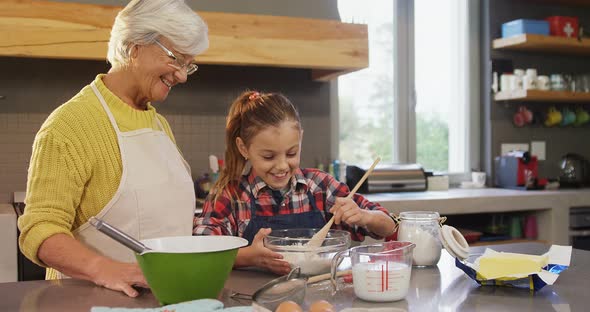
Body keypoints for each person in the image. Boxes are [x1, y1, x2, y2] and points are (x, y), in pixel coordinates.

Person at [18, 0, 208, 297]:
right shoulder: (68, 126)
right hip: (88, 300)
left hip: (163, 297)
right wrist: (103, 268)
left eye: (188, 65)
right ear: (135, 47)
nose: (182, 75)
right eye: (175, 60)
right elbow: (39, 229)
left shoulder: (159, 126)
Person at [193, 91, 396, 275]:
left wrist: (364, 216)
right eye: (268, 156)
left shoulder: (321, 187)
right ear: (244, 148)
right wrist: (248, 257)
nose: (282, 166)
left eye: (291, 153)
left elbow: (388, 226)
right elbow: (201, 252)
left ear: (300, 140)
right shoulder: (230, 195)